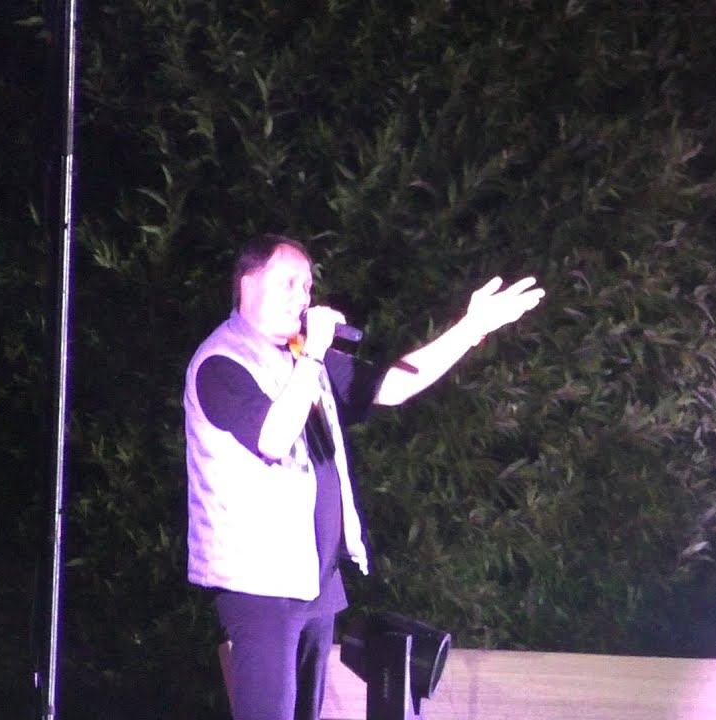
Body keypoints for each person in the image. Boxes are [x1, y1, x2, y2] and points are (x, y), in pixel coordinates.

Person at [184, 234, 543, 720]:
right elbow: (272, 438)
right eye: (289, 283)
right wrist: (313, 355)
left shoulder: (299, 356)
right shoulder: (221, 363)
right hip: (260, 586)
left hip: (313, 579)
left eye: (307, 286)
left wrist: (471, 328)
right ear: (247, 284)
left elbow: (392, 386)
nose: (303, 297)